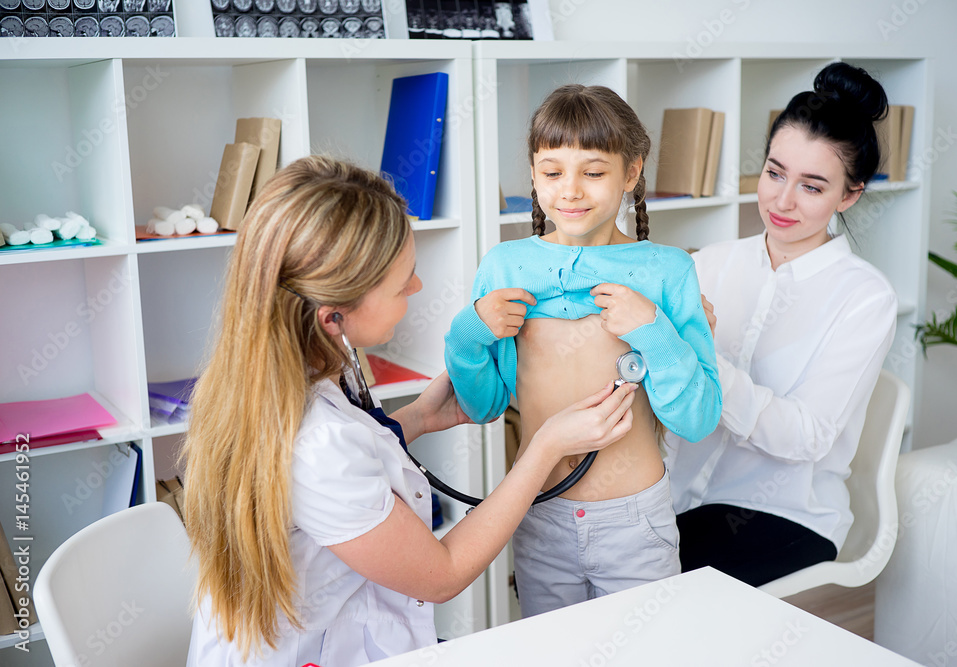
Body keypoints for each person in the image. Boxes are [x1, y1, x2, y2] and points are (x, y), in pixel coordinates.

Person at [181, 156, 638, 667]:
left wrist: (418, 418)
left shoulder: (300, 362)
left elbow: (346, 459)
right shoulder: (317, 443)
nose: (417, 289)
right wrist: (544, 448)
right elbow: (440, 574)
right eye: (403, 284)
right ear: (333, 316)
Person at [444, 85, 722, 617]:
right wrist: (467, 334)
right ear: (532, 172)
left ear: (632, 173)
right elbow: (483, 406)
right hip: (536, 513)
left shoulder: (667, 270)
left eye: (593, 172)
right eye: (552, 172)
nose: (570, 190)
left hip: (636, 524)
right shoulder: (504, 266)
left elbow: (699, 418)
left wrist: (655, 331)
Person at [665, 62, 899, 587]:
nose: (782, 201)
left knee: (661, 592)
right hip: (677, 500)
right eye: (774, 173)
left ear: (850, 195)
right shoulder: (709, 264)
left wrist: (696, 356)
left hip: (787, 515)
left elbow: (808, 436)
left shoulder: (865, 298)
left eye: (812, 187)